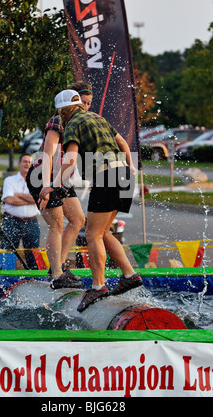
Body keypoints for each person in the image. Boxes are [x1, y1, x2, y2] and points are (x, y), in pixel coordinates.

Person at [39, 90, 142, 312]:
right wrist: (130, 168)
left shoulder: (74, 124)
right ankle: (130, 275)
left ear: (64, 110)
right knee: (104, 232)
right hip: (124, 176)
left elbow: (70, 160)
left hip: (107, 177)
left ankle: (98, 287)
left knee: (93, 235)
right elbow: (122, 141)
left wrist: (51, 184)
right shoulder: (97, 117)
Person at [26, 110, 85, 289]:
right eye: (82, 102)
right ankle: (57, 274)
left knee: (78, 220)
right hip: (42, 176)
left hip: (61, 178)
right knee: (57, 223)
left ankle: (57, 266)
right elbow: (47, 155)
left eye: (89, 103)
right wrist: (46, 187)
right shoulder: (58, 120)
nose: (86, 106)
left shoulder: (80, 122)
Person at [1, 154, 40, 270]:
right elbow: (9, 199)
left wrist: (18, 195)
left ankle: (35, 281)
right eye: (25, 161)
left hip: (32, 223)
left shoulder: (36, 182)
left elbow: (37, 199)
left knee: (34, 256)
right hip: (12, 222)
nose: (27, 164)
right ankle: (5, 281)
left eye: (29, 162)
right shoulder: (10, 180)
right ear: (19, 163)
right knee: (7, 254)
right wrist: (30, 199)